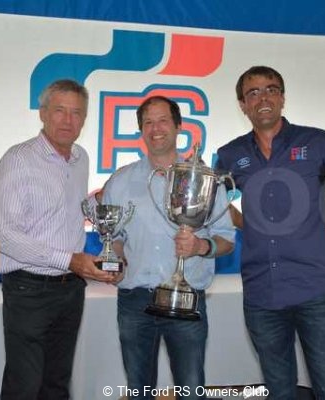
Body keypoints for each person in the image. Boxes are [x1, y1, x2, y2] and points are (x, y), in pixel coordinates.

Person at [215, 66, 325, 400]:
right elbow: (215, 206)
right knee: (279, 392)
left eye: (271, 89)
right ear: (242, 105)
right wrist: (251, 224)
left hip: (314, 291)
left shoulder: (320, 143)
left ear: (283, 98)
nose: (263, 98)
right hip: (261, 294)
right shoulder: (230, 155)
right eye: (253, 93)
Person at [101, 95, 236, 400]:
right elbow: (114, 238)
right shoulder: (120, 182)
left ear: (178, 127)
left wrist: (200, 246)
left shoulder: (204, 180)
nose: (155, 129)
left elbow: (227, 240)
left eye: (163, 120)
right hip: (134, 301)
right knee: (139, 391)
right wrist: (115, 260)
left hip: (186, 300)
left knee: (190, 391)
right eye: (148, 122)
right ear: (141, 131)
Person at [0, 79, 120, 400]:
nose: (68, 120)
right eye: (60, 110)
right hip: (29, 289)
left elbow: (70, 209)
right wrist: (71, 260)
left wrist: (98, 203)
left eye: (76, 113)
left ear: (85, 119)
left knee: (57, 384)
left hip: (70, 289)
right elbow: (6, 237)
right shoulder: (18, 159)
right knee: (24, 386)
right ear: (43, 113)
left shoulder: (81, 158)